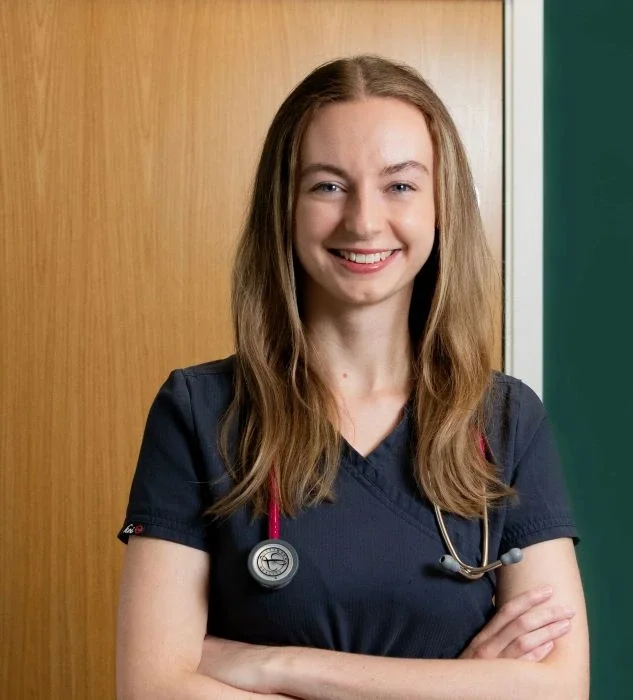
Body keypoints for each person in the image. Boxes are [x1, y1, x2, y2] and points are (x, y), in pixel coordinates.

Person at [116, 55, 589, 699]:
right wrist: (462, 686)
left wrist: (278, 667)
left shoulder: (505, 421)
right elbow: (152, 689)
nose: (364, 221)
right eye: (328, 186)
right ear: (283, 207)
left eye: (399, 185)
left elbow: (558, 690)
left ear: (440, 206)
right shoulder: (200, 412)